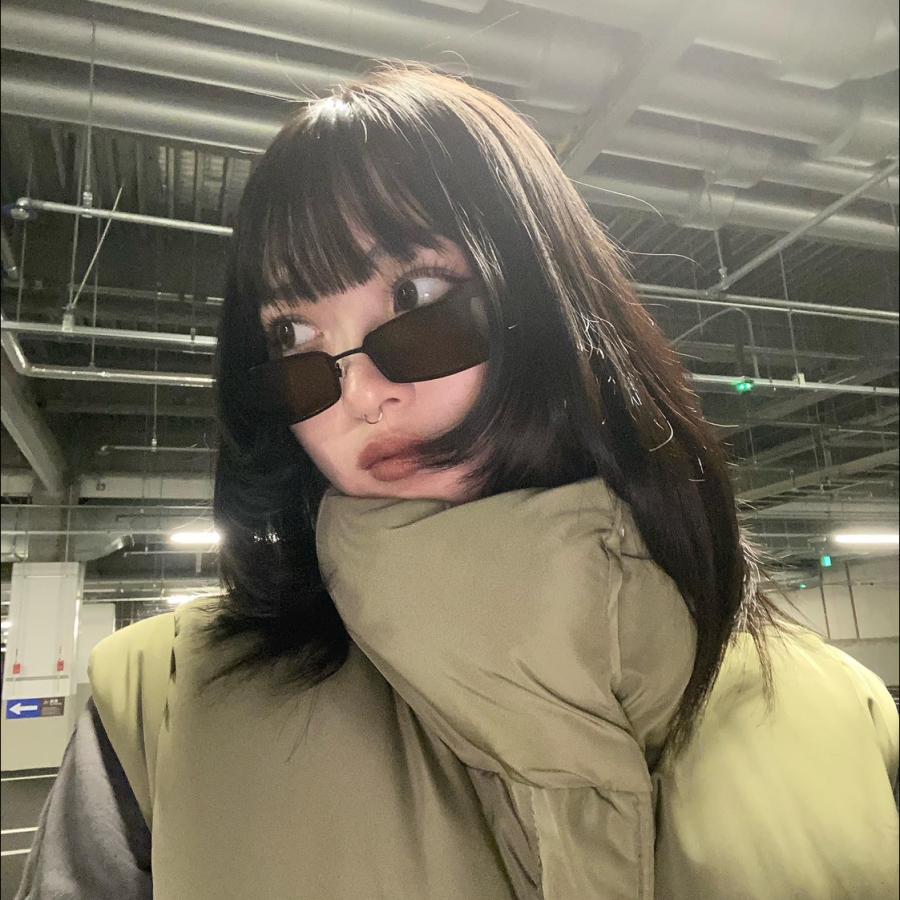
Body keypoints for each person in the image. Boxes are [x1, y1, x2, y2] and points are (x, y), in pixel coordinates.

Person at [17, 64, 898, 900]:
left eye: (416, 296)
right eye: (292, 338)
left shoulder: (843, 716)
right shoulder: (160, 711)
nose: (359, 393)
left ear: (551, 300)